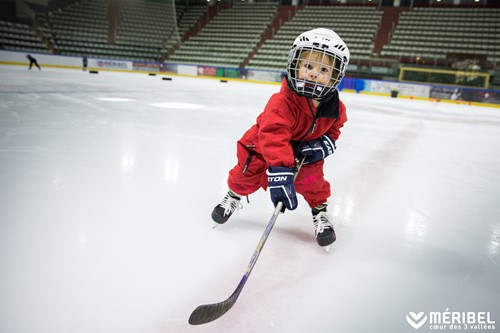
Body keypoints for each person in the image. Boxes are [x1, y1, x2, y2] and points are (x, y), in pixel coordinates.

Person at [211, 28, 350, 248]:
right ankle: (233, 195)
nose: (314, 73)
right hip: (262, 147)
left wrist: (325, 144)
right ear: (295, 65)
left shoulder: (335, 108)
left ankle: (320, 213)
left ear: (335, 75)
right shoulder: (281, 102)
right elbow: (273, 135)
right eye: (308, 66)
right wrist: (280, 172)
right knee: (246, 175)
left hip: (303, 153)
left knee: (314, 183)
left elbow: (335, 128)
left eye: (323, 69)